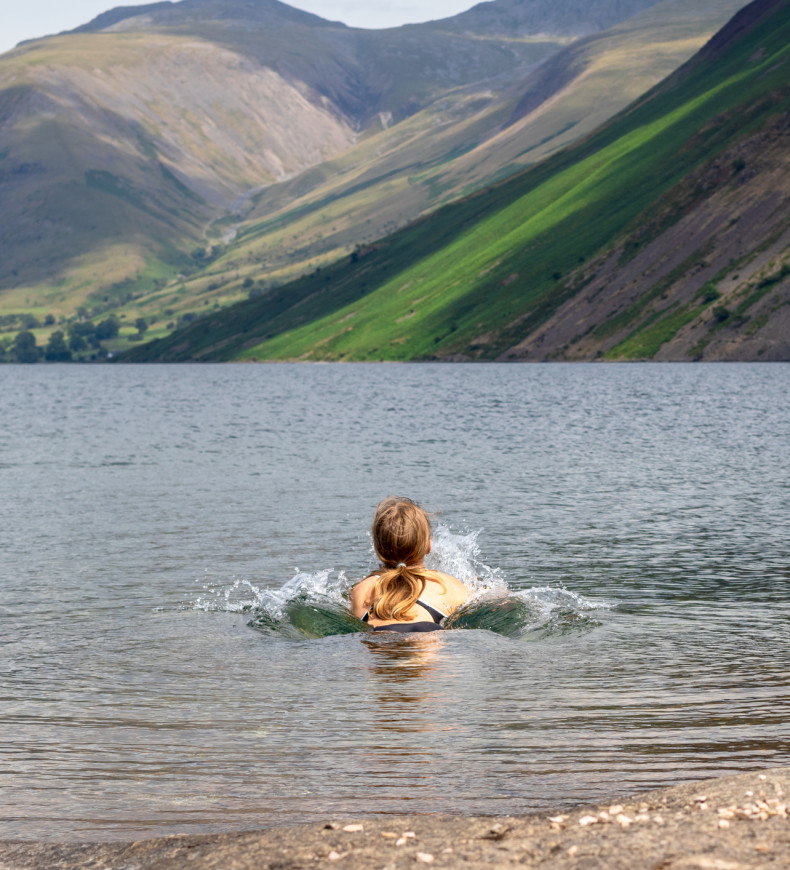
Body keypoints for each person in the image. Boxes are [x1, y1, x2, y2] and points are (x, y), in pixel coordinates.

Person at [350, 497, 467, 633]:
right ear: (428, 546)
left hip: (380, 643)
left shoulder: (361, 590)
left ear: (378, 548)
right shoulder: (447, 586)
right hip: (427, 634)